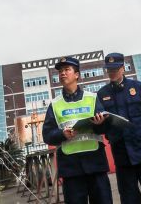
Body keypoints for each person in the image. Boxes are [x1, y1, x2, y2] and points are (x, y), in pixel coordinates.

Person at [97, 53, 141, 204]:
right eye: (109, 70)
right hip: (122, 154)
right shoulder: (102, 94)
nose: (112, 73)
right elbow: (103, 125)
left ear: (123, 68)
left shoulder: (138, 87)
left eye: (115, 69)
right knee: (129, 198)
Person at [42, 56, 112, 204]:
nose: (62, 73)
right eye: (60, 71)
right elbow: (47, 135)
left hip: (95, 165)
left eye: (67, 70)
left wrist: (100, 124)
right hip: (71, 169)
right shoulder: (54, 105)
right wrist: (62, 134)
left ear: (77, 75)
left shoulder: (92, 98)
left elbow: (106, 127)